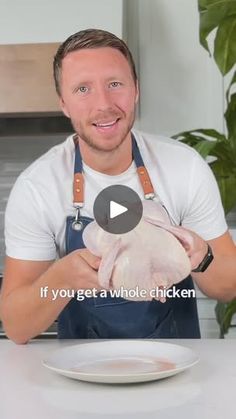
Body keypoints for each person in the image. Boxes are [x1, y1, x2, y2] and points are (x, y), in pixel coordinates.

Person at [0, 29, 235, 344]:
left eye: (115, 84)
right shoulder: (38, 188)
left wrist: (203, 256)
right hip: (82, 375)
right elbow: (16, 326)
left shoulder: (184, 167)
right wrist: (62, 279)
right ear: (64, 103)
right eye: (83, 89)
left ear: (136, 89)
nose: (104, 104)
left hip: (176, 373)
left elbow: (228, 287)